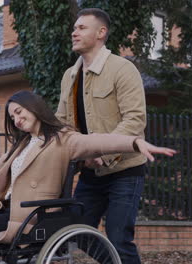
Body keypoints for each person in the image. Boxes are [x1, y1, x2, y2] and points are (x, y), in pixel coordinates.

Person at [0, 91, 175, 264]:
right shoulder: (24, 142)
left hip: (31, 216)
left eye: (18, 112)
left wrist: (134, 142)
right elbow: (1, 163)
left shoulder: (63, 139)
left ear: (33, 107)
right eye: (12, 117)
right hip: (7, 210)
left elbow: (97, 141)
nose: (16, 119)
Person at [55, 8, 148, 264]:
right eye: (74, 28)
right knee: (75, 231)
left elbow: (135, 120)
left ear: (101, 33)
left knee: (119, 237)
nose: (74, 32)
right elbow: (64, 124)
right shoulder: (69, 77)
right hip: (90, 172)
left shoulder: (122, 69)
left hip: (125, 170)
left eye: (82, 28)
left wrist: (102, 153)